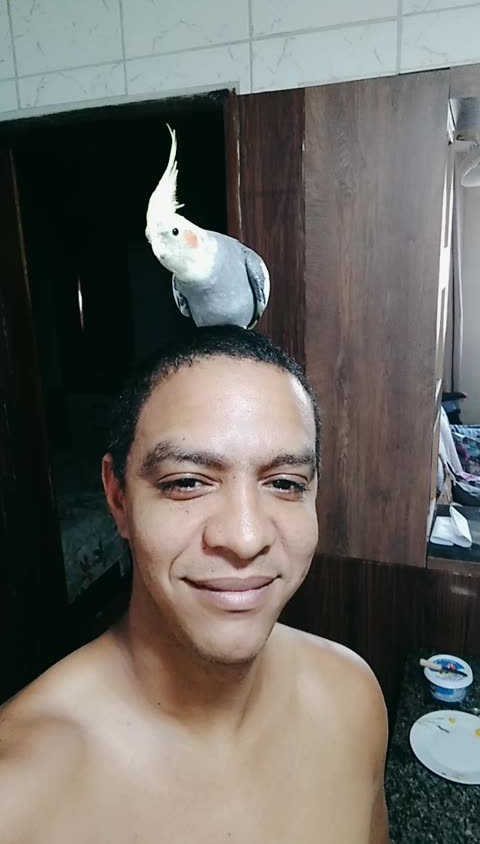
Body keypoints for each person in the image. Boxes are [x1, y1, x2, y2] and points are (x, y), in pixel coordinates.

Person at [0, 325, 390, 843]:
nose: (246, 538)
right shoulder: (18, 793)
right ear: (118, 497)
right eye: (186, 482)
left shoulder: (353, 697)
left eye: (284, 483)